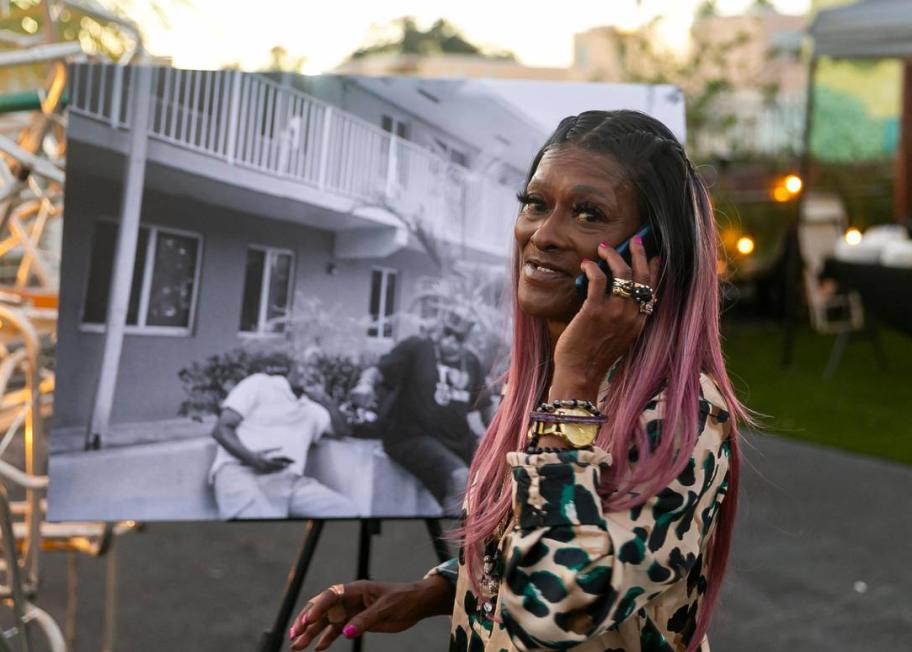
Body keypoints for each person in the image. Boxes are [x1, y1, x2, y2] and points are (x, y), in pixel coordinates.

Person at [288, 110, 748, 651]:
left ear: (649, 256)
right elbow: (534, 535)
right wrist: (441, 589)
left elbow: (554, 608)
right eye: (535, 204)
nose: (543, 235)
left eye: (588, 213)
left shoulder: (681, 411)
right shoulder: (541, 384)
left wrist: (573, 388)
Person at [351, 307, 487, 513]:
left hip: (456, 440)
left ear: (467, 338)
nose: (450, 339)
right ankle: (454, 542)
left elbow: (485, 407)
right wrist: (365, 385)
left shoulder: (471, 362)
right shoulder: (416, 347)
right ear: (441, 327)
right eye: (447, 332)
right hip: (411, 437)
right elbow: (377, 371)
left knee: (498, 474)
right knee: (460, 479)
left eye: (458, 336)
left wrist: (502, 436)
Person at [209, 359, 356, 519]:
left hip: (288, 480)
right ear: (291, 367)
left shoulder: (312, 409)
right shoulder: (260, 384)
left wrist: (324, 398)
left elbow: (342, 430)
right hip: (242, 473)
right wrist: (253, 459)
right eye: (305, 365)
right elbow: (221, 429)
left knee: (349, 513)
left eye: (316, 369)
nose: (309, 373)